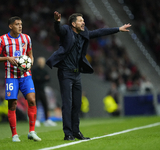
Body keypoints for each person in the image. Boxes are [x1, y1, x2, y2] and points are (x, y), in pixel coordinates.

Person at [46, 11, 131, 141]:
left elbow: (99, 32)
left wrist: (118, 29)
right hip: (65, 73)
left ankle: (76, 132)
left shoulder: (84, 33)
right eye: (80, 20)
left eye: (83, 20)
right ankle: (68, 133)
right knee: (67, 104)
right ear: (73, 24)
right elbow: (58, 30)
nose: (83, 22)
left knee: (77, 104)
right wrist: (57, 22)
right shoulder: (66, 30)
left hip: (76, 74)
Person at [0, 16, 41, 142]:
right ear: (10, 26)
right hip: (11, 76)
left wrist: (30, 63)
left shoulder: (26, 38)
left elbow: (30, 54)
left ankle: (32, 131)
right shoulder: (3, 39)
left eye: (21, 24)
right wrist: (7, 58)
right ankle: (14, 134)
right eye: (17, 24)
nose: (20, 26)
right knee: (12, 104)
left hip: (25, 75)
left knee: (31, 100)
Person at [32, 57, 57, 127]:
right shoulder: (35, 70)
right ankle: (35, 120)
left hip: (42, 90)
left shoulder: (45, 71)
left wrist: (40, 78)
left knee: (45, 105)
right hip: (36, 90)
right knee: (35, 106)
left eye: (42, 62)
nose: (41, 63)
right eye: (40, 62)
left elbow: (48, 79)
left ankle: (47, 120)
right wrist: (43, 78)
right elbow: (35, 79)